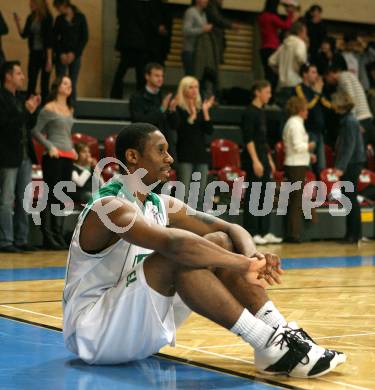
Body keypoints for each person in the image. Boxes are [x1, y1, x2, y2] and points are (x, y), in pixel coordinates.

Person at [63, 122, 346, 376]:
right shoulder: (108, 207)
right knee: (179, 257)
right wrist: (241, 265)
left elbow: (231, 230)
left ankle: (278, 333)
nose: (169, 158)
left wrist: (252, 257)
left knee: (219, 242)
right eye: (161, 150)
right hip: (96, 333)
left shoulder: (157, 202)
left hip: (134, 327)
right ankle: (267, 343)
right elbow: (175, 244)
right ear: (132, 157)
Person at [32, 75, 77, 250]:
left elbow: (66, 133)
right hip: (53, 155)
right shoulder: (48, 108)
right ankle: (47, 235)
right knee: (50, 194)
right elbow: (35, 131)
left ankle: (58, 234)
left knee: (62, 195)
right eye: (65, 83)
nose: (68, 87)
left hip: (67, 155)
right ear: (57, 86)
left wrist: (72, 148)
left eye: (70, 84)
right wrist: (49, 146)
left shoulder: (70, 108)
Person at [0, 61, 41, 252]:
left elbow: (28, 125)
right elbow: (6, 126)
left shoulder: (19, 98)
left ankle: (21, 238)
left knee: (23, 198)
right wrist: (26, 110)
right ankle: (6, 240)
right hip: (8, 155)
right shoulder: (2, 98)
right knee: (7, 199)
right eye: (18, 73)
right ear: (8, 76)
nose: (22, 76)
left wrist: (32, 110)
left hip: (25, 155)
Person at [241, 80, 282, 245]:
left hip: (263, 158)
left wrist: (269, 160)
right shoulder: (249, 112)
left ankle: (265, 231)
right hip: (253, 158)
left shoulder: (262, 112)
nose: (269, 95)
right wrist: (256, 161)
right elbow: (249, 139)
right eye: (267, 92)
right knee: (254, 194)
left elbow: (263, 140)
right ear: (257, 92)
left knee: (266, 194)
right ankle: (252, 231)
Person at [110, 0, 165, 98]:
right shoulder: (143, 5)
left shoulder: (125, 3)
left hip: (128, 42)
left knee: (123, 70)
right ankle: (140, 96)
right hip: (139, 43)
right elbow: (147, 21)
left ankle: (116, 95)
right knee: (139, 72)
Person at [174, 76, 214, 208]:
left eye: (196, 87)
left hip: (200, 155)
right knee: (183, 194)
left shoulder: (199, 108)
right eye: (191, 87)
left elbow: (209, 130)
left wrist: (206, 111)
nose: (194, 90)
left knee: (200, 194)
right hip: (185, 154)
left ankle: (198, 225)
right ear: (183, 89)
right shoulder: (178, 108)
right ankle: (180, 223)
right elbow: (179, 129)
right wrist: (191, 117)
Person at [332, 92, 366, 244]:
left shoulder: (349, 121)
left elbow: (349, 146)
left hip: (352, 164)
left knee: (350, 198)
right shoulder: (348, 119)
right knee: (350, 198)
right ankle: (353, 234)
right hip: (352, 163)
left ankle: (353, 235)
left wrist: (340, 167)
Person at [282, 96, 315, 243]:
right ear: (300, 109)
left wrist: (309, 154)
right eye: (306, 109)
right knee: (296, 200)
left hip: (296, 163)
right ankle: (293, 234)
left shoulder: (294, 123)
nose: (307, 112)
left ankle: (292, 233)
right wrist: (309, 147)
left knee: (294, 199)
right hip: (295, 165)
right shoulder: (295, 124)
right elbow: (297, 146)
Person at [129, 63, 178, 162]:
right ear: (147, 76)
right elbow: (139, 122)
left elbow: (174, 125)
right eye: (156, 75)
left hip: (166, 147)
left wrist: (172, 111)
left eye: (162, 76)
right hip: (147, 146)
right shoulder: (137, 97)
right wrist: (161, 110)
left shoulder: (164, 96)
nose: (160, 79)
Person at [324, 66, 375, 150]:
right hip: (367, 117)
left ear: (330, 74)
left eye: (326, 79)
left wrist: (355, 122)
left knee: (359, 154)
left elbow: (351, 100)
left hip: (359, 119)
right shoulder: (349, 76)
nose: (328, 82)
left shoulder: (343, 78)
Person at [294, 63, 331, 175]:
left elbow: (327, 104)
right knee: (308, 165)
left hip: (319, 132)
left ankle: (322, 191)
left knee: (322, 167)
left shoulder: (315, 90)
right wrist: (316, 94)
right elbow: (306, 106)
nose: (316, 75)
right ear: (305, 74)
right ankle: (307, 191)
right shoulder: (299, 88)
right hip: (308, 132)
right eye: (313, 72)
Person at [14, 0, 53, 103]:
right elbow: (24, 34)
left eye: (33, 3)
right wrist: (18, 23)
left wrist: (49, 59)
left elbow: (49, 39)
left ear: (39, 4)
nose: (30, 5)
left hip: (45, 54)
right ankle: (29, 107)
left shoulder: (47, 17)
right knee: (32, 80)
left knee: (44, 83)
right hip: (34, 53)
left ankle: (44, 106)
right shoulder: (31, 17)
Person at [53, 0, 88, 102]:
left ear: (64, 5)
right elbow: (55, 38)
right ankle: (59, 106)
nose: (58, 10)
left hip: (75, 55)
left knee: (72, 82)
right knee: (60, 82)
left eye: (58, 7)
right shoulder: (59, 19)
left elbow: (84, 38)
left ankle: (72, 108)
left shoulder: (80, 17)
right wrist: (61, 53)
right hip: (62, 54)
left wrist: (74, 53)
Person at [257, 0, 295, 94]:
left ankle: (265, 96)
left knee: (268, 74)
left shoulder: (261, 17)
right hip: (272, 48)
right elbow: (286, 25)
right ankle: (270, 97)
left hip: (263, 48)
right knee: (274, 75)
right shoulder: (272, 17)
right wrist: (290, 13)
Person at [268, 21, 308, 107]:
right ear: (300, 32)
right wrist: (302, 68)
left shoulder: (283, 45)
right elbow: (300, 58)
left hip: (282, 85)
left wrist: (278, 71)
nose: (306, 35)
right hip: (295, 84)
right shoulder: (300, 43)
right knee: (294, 113)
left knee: (283, 114)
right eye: (305, 32)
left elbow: (271, 61)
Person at [182, 0, 213, 76]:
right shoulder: (191, 12)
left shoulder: (203, 14)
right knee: (190, 77)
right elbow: (186, 30)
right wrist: (202, 30)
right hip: (190, 51)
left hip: (199, 52)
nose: (206, 1)